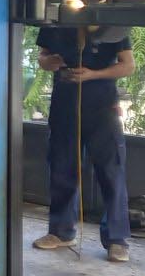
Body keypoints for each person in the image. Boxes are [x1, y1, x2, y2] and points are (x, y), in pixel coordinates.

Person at [33, 25, 136, 262]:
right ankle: (60, 231)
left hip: (103, 106)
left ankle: (116, 239)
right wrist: (50, 62)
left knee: (110, 171)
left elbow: (128, 65)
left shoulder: (112, 26)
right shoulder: (55, 22)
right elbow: (42, 57)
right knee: (61, 167)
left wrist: (93, 74)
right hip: (64, 103)